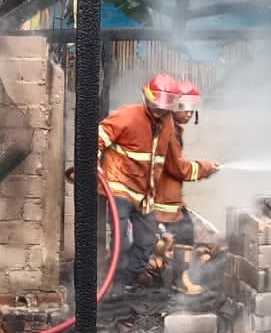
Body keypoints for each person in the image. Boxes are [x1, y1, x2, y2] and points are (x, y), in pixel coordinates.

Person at [92, 73, 218, 289]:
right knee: (121, 241)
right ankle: (116, 286)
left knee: (146, 240)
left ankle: (129, 281)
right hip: (119, 187)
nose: (159, 108)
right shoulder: (128, 116)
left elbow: (169, 162)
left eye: (165, 105)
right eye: (155, 103)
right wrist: (92, 164)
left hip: (144, 195)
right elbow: (96, 138)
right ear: (146, 97)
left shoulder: (167, 123)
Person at [152, 78, 211, 294]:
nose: (188, 112)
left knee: (180, 232)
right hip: (163, 198)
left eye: (191, 109)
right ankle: (178, 280)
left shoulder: (170, 125)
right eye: (183, 107)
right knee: (184, 232)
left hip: (165, 195)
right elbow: (179, 168)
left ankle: (170, 272)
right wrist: (205, 168)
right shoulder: (169, 129)